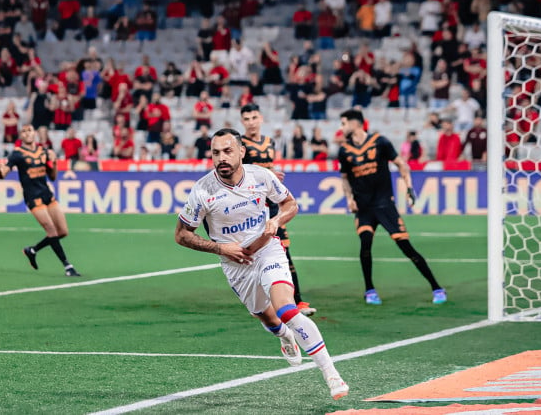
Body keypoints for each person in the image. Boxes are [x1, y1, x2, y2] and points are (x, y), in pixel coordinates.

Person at [175, 128, 349, 400]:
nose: (221, 157)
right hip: (235, 265)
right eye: (216, 152)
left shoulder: (261, 176)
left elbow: (290, 204)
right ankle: (284, 337)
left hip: (268, 250)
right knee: (268, 318)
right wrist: (221, 247)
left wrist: (277, 221)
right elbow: (182, 235)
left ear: (241, 152)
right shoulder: (202, 191)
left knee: (286, 309)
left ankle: (331, 374)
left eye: (228, 151)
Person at [338, 110, 446, 305]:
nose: (342, 127)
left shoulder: (380, 142)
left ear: (355, 124)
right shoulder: (344, 150)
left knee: (406, 247)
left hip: (384, 205)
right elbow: (345, 178)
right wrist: (349, 198)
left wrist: (409, 187)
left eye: (344, 123)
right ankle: (369, 290)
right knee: (365, 245)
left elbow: (401, 164)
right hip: (364, 208)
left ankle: (437, 287)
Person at [240, 104, 316, 316]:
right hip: (252, 206)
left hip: (271, 204)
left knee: (284, 250)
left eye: (254, 117)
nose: (251, 122)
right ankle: (260, 301)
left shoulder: (269, 142)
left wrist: (271, 176)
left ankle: (297, 302)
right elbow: (240, 173)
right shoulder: (240, 145)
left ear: (261, 118)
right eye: (246, 119)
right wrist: (268, 172)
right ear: (242, 122)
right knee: (253, 251)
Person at [0, 124, 81, 277]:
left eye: (29, 130)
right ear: (21, 136)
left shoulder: (44, 152)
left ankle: (32, 250)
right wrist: (1, 171)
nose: (27, 133)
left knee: (62, 232)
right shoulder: (17, 154)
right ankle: (68, 266)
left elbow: (53, 177)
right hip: (32, 197)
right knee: (51, 230)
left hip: (46, 194)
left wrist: (54, 162)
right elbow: (3, 174)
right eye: (24, 131)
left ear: (34, 133)